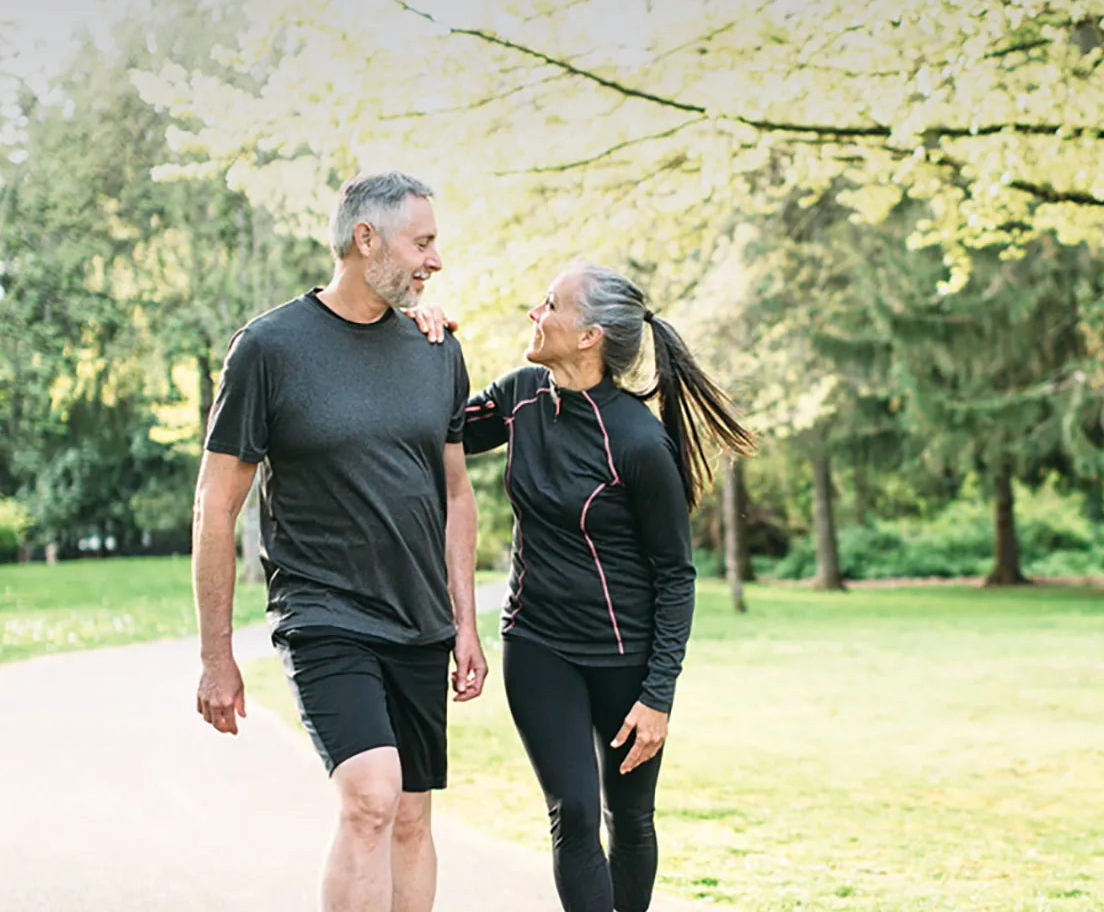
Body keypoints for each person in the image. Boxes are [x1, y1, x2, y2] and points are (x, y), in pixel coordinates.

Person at [409, 262, 752, 912]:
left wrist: (657, 696)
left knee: (631, 817)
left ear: (590, 335)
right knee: (572, 809)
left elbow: (676, 576)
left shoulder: (640, 442)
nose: (534, 315)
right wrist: (422, 340)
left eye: (549, 305)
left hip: (627, 660)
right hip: (539, 646)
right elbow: (438, 424)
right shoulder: (522, 395)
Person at [191, 170, 487, 912]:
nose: (434, 261)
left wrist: (466, 621)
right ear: (366, 239)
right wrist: (215, 654)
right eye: (422, 243)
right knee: (371, 796)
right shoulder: (268, 348)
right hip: (324, 613)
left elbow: (455, 489)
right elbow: (216, 503)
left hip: (419, 618)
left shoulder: (437, 350)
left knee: (412, 816)